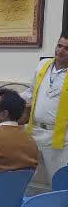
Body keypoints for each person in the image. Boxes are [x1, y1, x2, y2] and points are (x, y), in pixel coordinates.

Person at [26, 34, 68, 184]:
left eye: (66, 48)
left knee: (58, 181)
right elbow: (31, 92)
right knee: (26, 176)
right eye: (59, 46)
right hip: (34, 132)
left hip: (58, 136)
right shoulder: (43, 65)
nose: (60, 51)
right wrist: (11, 98)